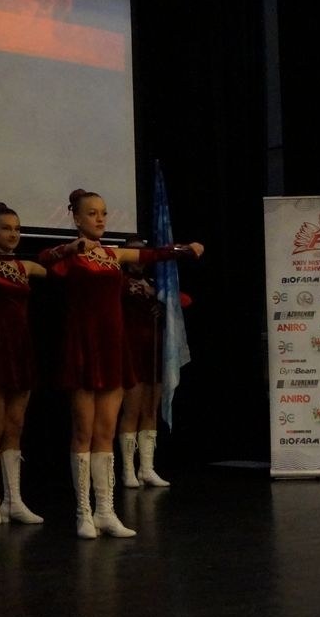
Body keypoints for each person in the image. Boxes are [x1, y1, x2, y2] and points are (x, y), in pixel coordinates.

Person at [39, 189, 202, 539]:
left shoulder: (114, 254)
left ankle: (106, 510)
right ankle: (83, 513)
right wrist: (69, 249)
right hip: (84, 349)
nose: (100, 218)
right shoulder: (70, 255)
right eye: (92, 213)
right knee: (83, 431)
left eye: (103, 213)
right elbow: (45, 259)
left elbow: (154, 253)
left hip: (112, 349)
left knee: (105, 432)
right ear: (76, 218)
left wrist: (185, 250)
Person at [0, 202, 47, 526]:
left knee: (16, 425)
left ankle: (13, 500)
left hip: (21, 349)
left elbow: (56, 268)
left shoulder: (25, 266)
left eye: (17, 229)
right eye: (6, 228)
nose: (13, 234)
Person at [116, 242, 171, 489]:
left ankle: (146, 468)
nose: (139, 260)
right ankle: (128, 470)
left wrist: (163, 302)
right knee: (132, 410)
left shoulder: (154, 281)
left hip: (154, 351)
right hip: (131, 351)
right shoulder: (120, 281)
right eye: (134, 254)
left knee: (150, 409)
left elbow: (183, 299)